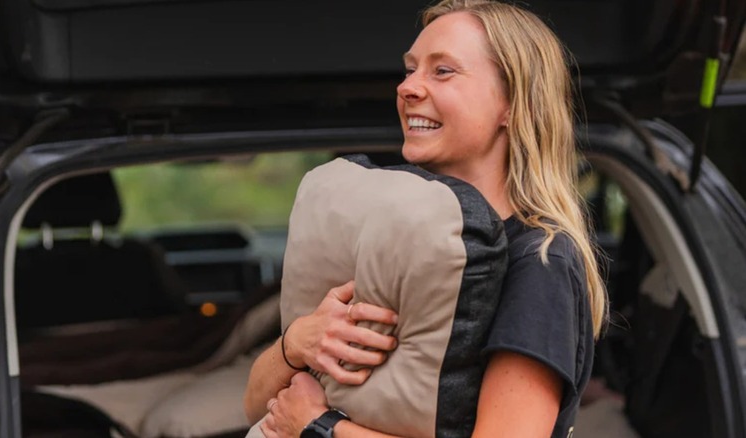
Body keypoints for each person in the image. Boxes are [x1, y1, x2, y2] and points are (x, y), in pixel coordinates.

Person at [243, 0, 608, 436]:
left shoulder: (539, 263)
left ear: (512, 103)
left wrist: (319, 426)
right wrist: (297, 343)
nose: (408, 88)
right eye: (410, 69)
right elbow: (254, 409)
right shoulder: (398, 234)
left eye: (442, 71)